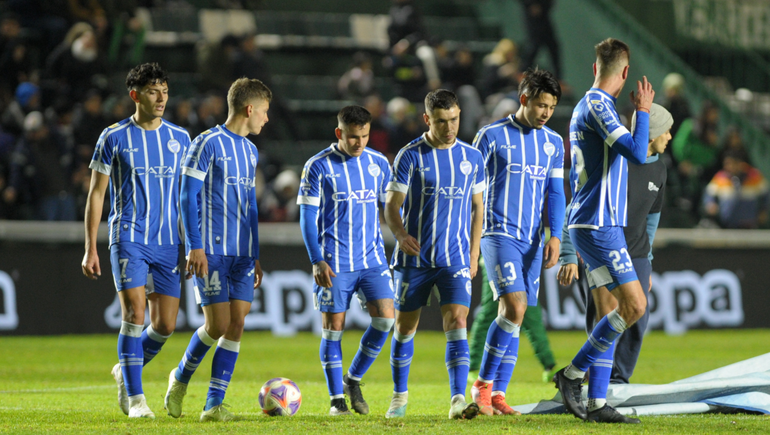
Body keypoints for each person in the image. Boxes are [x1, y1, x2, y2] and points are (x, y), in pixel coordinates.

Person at [81, 63, 190, 418]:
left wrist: (192, 245)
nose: (161, 98)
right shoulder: (113, 137)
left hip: (168, 242)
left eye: (165, 90)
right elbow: (97, 194)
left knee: (165, 325)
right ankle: (136, 400)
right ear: (135, 95)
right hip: (128, 236)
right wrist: (90, 246)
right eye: (153, 91)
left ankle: (124, 369)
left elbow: (186, 197)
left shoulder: (181, 139)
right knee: (134, 314)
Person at [553, 38, 654, 424]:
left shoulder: (593, 106)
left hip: (593, 222)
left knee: (610, 310)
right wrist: (641, 111)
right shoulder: (598, 105)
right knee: (635, 306)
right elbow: (638, 151)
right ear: (624, 72)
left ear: (596, 67)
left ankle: (596, 403)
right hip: (598, 223)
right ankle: (573, 374)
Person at [163, 78, 269, 422]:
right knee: (217, 325)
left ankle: (213, 404)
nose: (266, 120)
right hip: (211, 251)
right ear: (249, 109)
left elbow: (249, 206)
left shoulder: (251, 150)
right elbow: (185, 196)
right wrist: (194, 246)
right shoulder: (206, 143)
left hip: (241, 254)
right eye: (264, 112)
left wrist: (254, 253)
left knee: (237, 324)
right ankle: (179, 377)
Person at [469, 68, 565, 416]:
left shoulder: (553, 143)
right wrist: (472, 240)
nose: (545, 113)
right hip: (497, 234)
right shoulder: (490, 137)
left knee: (514, 316)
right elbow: (472, 193)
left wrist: (556, 235)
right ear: (524, 99)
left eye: (551, 107)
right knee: (516, 307)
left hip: (532, 242)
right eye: (540, 105)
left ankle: (498, 395)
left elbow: (555, 193)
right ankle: (481, 385)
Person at [384, 89, 485, 420]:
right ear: (427, 119)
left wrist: (473, 254)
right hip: (414, 261)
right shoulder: (410, 156)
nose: (449, 127)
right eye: (441, 121)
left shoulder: (472, 158)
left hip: (454, 258)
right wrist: (400, 234)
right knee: (404, 327)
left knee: (457, 322)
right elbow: (392, 206)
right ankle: (399, 396)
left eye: (454, 120)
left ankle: (457, 399)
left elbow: (477, 209)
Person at [559, 103, 672, 386]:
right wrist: (569, 253)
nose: (670, 137)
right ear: (654, 132)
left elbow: (652, 219)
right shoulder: (616, 161)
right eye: (667, 131)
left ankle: (619, 380)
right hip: (604, 249)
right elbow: (578, 204)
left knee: (637, 318)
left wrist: (647, 259)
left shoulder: (660, 170)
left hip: (637, 255)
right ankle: (593, 378)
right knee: (604, 315)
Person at [297, 105, 395, 416]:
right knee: (333, 329)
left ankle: (352, 379)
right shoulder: (318, 167)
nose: (360, 143)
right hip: (335, 263)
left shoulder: (379, 164)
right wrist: (316, 260)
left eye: (365, 136)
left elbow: (391, 210)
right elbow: (307, 218)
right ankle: (336, 400)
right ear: (339, 133)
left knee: (385, 320)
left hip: (372, 260)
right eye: (353, 137)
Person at [703, 150, 769, 229]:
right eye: (726, 164)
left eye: (731, 163)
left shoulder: (754, 175)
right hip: (726, 223)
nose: (728, 167)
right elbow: (709, 194)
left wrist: (763, 210)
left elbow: (766, 194)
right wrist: (710, 204)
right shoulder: (721, 177)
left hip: (748, 223)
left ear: (740, 163)